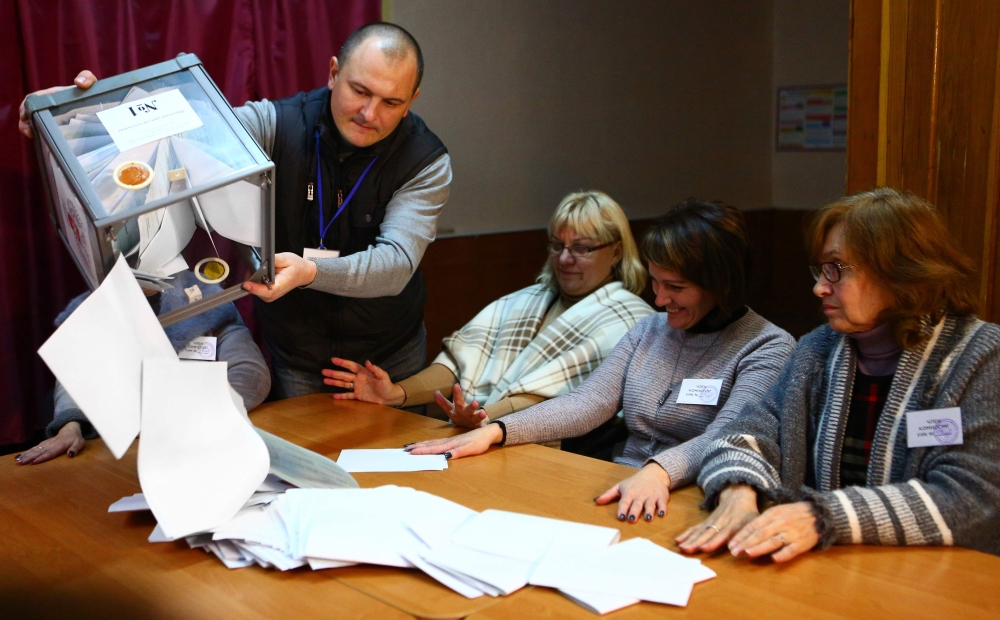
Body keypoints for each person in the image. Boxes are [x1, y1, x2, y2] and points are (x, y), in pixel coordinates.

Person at [19, 22, 451, 400]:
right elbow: (191, 124)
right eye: (359, 91)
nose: (369, 113)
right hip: (298, 356)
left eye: (391, 102)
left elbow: (396, 265)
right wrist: (76, 112)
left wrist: (311, 272)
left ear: (412, 99)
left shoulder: (425, 160)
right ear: (334, 72)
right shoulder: (278, 121)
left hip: (390, 356)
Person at [405, 199, 796, 523]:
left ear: (722, 283)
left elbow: (727, 437)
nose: (659, 300)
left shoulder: (767, 346)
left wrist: (659, 471)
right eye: (656, 283)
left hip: (697, 497)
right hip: (618, 481)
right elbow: (588, 403)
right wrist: (495, 431)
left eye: (676, 288)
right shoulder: (650, 330)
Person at [677, 188, 1000, 561]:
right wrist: (739, 488)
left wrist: (821, 516)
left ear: (900, 271)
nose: (819, 287)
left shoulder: (982, 356)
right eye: (820, 269)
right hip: (829, 569)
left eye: (836, 269)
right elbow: (746, 432)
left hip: (937, 583)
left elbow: (973, 499)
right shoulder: (819, 349)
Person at [322, 191, 653, 427]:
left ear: (616, 252)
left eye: (581, 248)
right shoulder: (526, 299)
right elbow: (460, 363)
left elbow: (563, 400)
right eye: (557, 245)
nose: (564, 259)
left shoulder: (632, 321)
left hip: (545, 453)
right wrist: (396, 393)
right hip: (477, 430)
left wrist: (487, 416)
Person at [15, 271, 270, 465]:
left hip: (198, 450)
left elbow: (250, 373)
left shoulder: (208, 300)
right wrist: (69, 425)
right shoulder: (96, 307)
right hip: (120, 458)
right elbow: (77, 376)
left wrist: (191, 415)